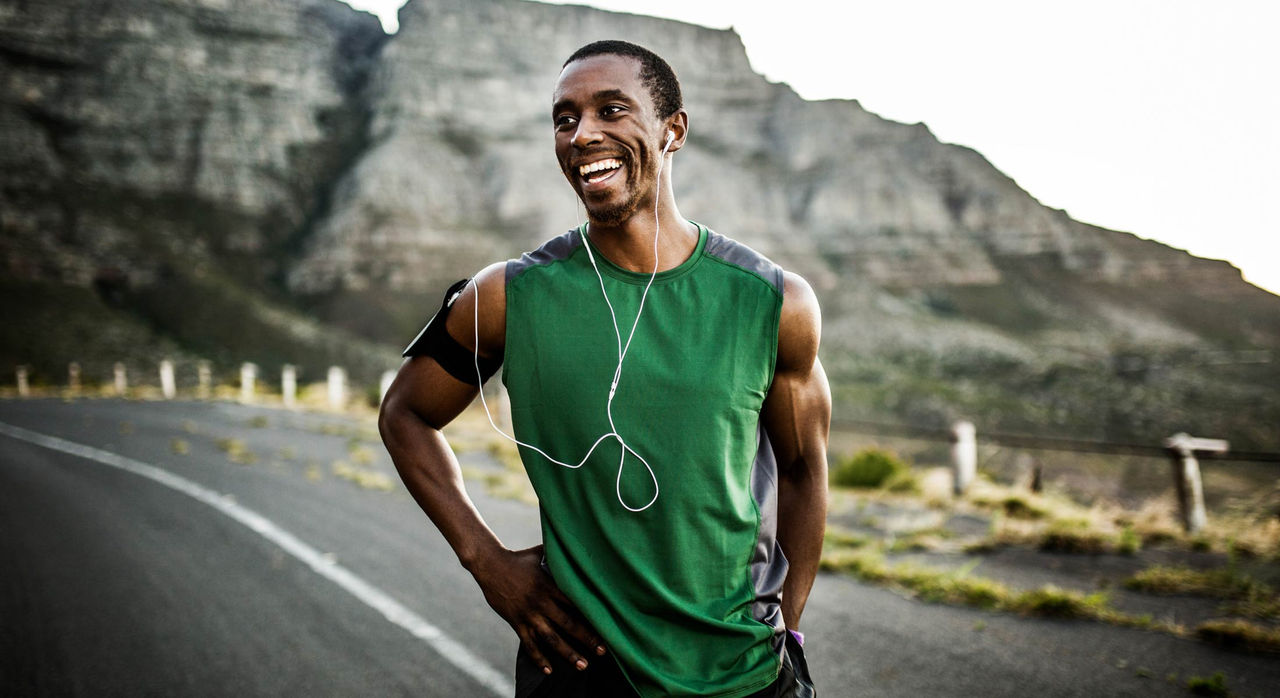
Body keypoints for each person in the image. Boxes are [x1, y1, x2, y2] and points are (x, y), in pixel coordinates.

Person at [379, 40, 830, 698]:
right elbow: (406, 413)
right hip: (580, 669)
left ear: (672, 130)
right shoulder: (506, 297)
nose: (582, 134)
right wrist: (486, 560)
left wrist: (786, 628)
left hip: (746, 676)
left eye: (611, 110)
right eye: (564, 119)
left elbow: (803, 468)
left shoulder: (775, 302)